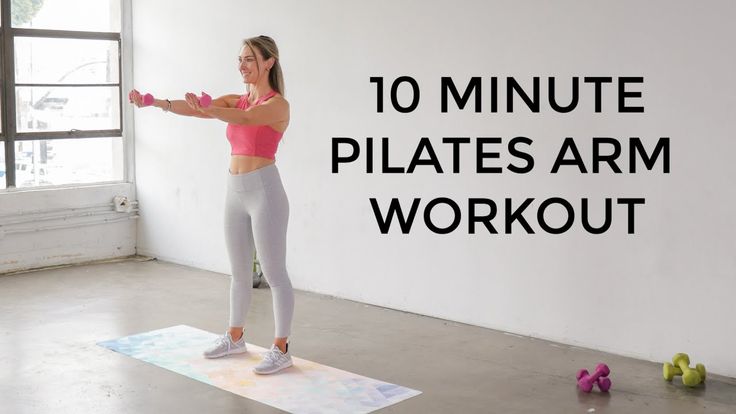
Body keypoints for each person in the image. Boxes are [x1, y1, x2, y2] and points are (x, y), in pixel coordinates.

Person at [128, 35, 294, 375]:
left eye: (250, 59)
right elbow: (197, 110)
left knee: (275, 274)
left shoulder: (277, 105)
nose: (242, 65)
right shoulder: (237, 100)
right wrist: (155, 101)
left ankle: (281, 347)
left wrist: (211, 108)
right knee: (237, 272)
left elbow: (247, 120)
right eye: (240, 59)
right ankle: (235, 337)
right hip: (235, 191)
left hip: (266, 191)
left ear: (268, 63)